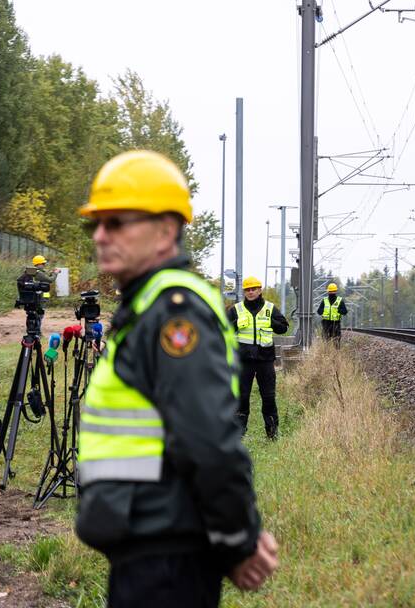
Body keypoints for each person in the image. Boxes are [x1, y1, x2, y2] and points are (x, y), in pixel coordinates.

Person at [75, 150, 278, 607]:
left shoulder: (173, 314)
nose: (102, 236)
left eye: (118, 222)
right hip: (147, 547)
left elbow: (206, 439)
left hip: (166, 558)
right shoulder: (147, 307)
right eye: (97, 224)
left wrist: (237, 540)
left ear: (166, 230)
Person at [226, 276, 288, 439]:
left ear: (260, 290)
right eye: (248, 289)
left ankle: (272, 434)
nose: (251, 292)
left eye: (254, 289)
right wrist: (236, 324)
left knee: (268, 397)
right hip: (243, 361)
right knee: (242, 398)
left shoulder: (269, 308)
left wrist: (271, 322)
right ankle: (238, 435)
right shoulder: (236, 310)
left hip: (265, 361)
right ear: (244, 292)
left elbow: (283, 328)